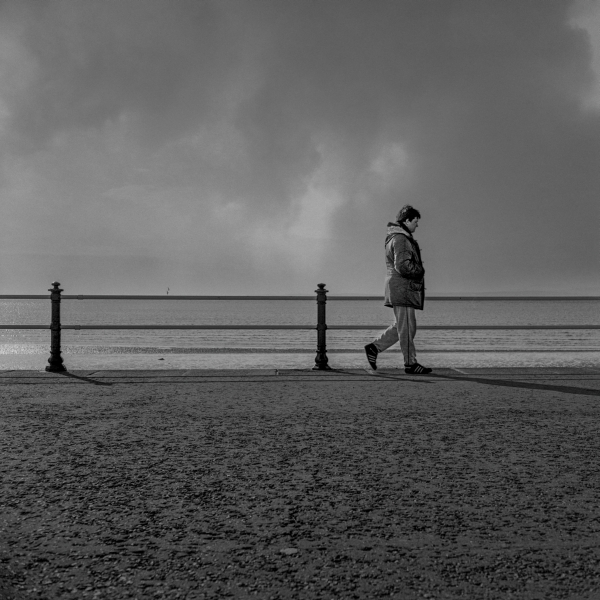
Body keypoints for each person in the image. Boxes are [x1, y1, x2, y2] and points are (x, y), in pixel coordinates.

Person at [364, 205, 432, 374]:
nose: (417, 225)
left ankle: (374, 348)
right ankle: (410, 363)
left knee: (405, 326)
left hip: (400, 288)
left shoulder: (397, 237)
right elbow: (402, 265)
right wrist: (420, 270)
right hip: (403, 289)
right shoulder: (401, 239)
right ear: (407, 220)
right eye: (415, 221)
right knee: (407, 327)